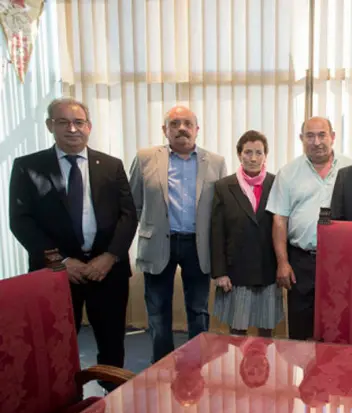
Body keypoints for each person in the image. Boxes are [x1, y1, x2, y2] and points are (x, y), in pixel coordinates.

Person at [9, 97, 138, 391]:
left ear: (89, 127)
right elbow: (22, 221)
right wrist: (62, 263)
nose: (72, 129)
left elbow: (128, 216)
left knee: (111, 342)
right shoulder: (28, 167)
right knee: (54, 345)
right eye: (63, 122)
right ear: (50, 126)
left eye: (78, 122)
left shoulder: (111, 165)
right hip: (55, 275)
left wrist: (110, 257)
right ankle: (63, 404)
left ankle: (112, 400)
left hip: (107, 272)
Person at [128, 105, 227, 362]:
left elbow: (220, 212)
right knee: (158, 312)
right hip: (159, 243)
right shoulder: (145, 158)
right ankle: (161, 366)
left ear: (196, 130)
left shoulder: (215, 162)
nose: (181, 128)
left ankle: (198, 365)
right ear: (165, 130)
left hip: (198, 245)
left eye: (187, 123)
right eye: (174, 124)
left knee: (198, 310)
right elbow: (132, 205)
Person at [265, 116, 352, 340]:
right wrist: (283, 263)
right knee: (300, 331)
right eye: (310, 136)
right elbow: (279, 220)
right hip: (301, 261)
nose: (316, 142)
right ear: (301, 139)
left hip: (342, 262)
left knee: (339, 328)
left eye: (322, 135)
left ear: (333, 137)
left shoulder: (351, 169)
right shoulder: (288, 172)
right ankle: (305, 376)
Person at [210, 130, 282, 337]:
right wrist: (220, 272)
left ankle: (265, 370)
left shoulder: (277, 184)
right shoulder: (224, 187)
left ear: (265, 155)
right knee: (237, 331)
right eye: (248, 152)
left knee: (266, 332)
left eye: (258, 152)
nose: (253, 158)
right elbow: (217, 232)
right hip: (236, 272)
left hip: (268, 270)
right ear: (239, 154)